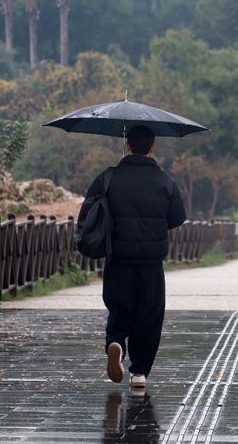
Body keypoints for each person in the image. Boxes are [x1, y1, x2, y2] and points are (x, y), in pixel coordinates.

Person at [77, 125, 186, 388]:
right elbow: (177, 217)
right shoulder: (165, 182)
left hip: (118, 258)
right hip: (151, 261)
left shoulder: (108, 178)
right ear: (153, 146)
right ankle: (139, 373)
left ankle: (116, 343)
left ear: (127, 145)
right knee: (149, 314)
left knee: (119, 307)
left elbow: (89, 210)